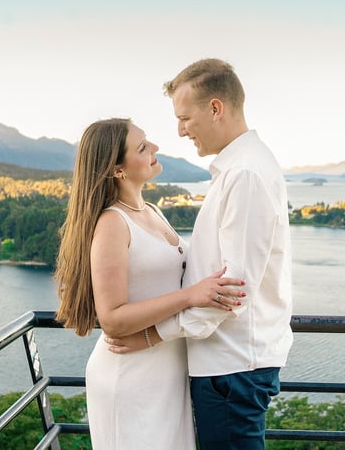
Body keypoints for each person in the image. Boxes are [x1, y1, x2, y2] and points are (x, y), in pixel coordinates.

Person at [106, 59, 293, 449]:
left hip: (233, 366)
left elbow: (231, 291)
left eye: (185, 117)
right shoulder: (237, 170)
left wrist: (153, 334)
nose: (179, 130)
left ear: (215, 108)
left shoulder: (245, 175)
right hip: (228, 365)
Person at [54, 117, 245, 449]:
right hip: (129, 376)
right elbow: (112, 320)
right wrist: (190, 297)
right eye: (142, 147)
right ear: (117, 170)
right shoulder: (113, 222)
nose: (156, 148)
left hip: (165, 372)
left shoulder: (153, 211)